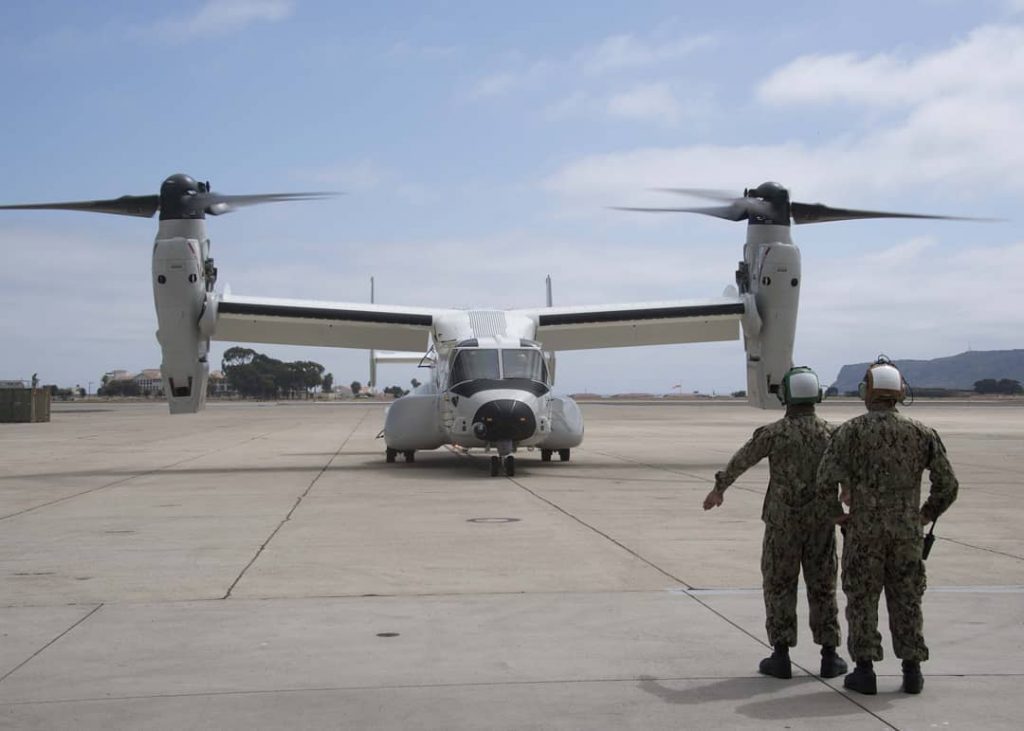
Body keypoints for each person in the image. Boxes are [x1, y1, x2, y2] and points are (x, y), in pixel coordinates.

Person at [817, 357, 958, 695]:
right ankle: (912, 671)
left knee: (862, 599)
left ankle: (864, 671)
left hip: (864, 532)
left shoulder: (850, 431)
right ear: (900, 392)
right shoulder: (922, 433)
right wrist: (923, 515)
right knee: (907, 598)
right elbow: (948, 484)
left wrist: (838, 514)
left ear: (867, 391)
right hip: (907, 534)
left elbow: (824, 481)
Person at [704, 366, 847, 680]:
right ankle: (830, 656)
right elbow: (849, 473)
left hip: (782, 524)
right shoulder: (833, 434)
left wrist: (719, 489)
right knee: (823, 587)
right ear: (817, 395)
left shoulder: (774, 433)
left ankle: (781, 656)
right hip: (821, 523)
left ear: (786, 396)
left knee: (779, 586)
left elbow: (743, 459)